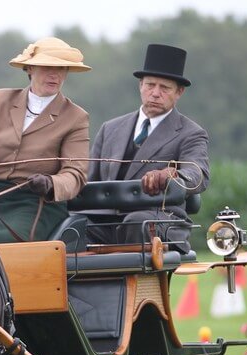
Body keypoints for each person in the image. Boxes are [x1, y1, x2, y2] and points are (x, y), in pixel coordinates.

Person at [0, 37, 91, 244]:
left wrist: (50, 183)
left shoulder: (76, 117)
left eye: (62, 68)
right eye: (47, 67)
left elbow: (75, 174)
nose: (55, 74)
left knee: (7, 240)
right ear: (29, 69)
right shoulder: (0, 99)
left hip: (35, 202)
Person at [88, 43, 210, 252]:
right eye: (150, 85)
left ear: (179, 92)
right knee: (70, 226)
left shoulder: (191, 133)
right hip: (106, 222)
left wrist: (173, 175)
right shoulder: (110, 129)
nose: (155, 93)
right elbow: (89, 180)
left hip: (159, 221)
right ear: (140, 85)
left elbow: (198, 174)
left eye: (165, 88)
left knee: (137, 222)